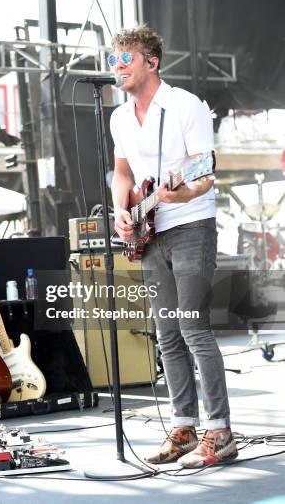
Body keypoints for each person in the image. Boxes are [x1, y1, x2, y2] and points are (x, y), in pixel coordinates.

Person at [109, 25, 237, 468]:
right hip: (149, 231)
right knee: (166, 335)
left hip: (190, 226)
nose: (118, 66)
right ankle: (183, 426)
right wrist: (122, 210)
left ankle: (219, 431)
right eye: (114, 59)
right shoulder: (120, 116)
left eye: (126, 58)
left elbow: (203, 175)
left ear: (152, 61)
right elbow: (123, 173)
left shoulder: (186, 107)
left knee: (193, 328)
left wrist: (177, 195)